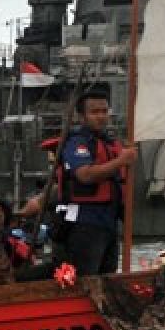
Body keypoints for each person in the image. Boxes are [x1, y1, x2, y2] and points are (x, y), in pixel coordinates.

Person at [57, 89, 137, 276]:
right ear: (81, 116)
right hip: (86, 222)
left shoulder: (111, 143)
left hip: (109, 221)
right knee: (85, 276)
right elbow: (84, 175)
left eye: (104, 111)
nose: (101, 116)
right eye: (94, 112)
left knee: (107, 274)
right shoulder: (77, 143)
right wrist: (120, 161)